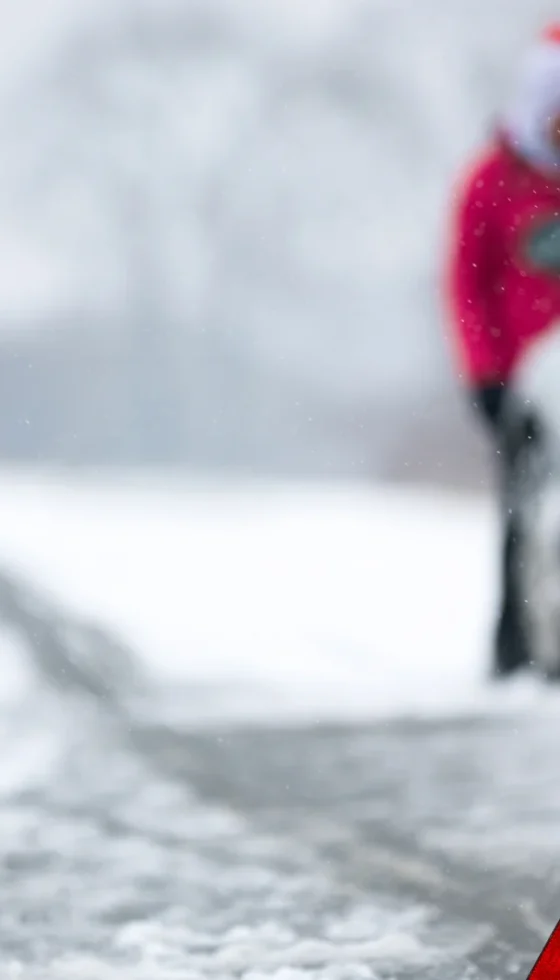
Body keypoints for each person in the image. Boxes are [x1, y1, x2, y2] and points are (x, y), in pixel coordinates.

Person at [444, 23, 560, 679]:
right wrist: (485, 374)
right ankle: (519, 641)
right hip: (525, 385)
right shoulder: (493, 181)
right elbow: (467, 282)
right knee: (523, 513)